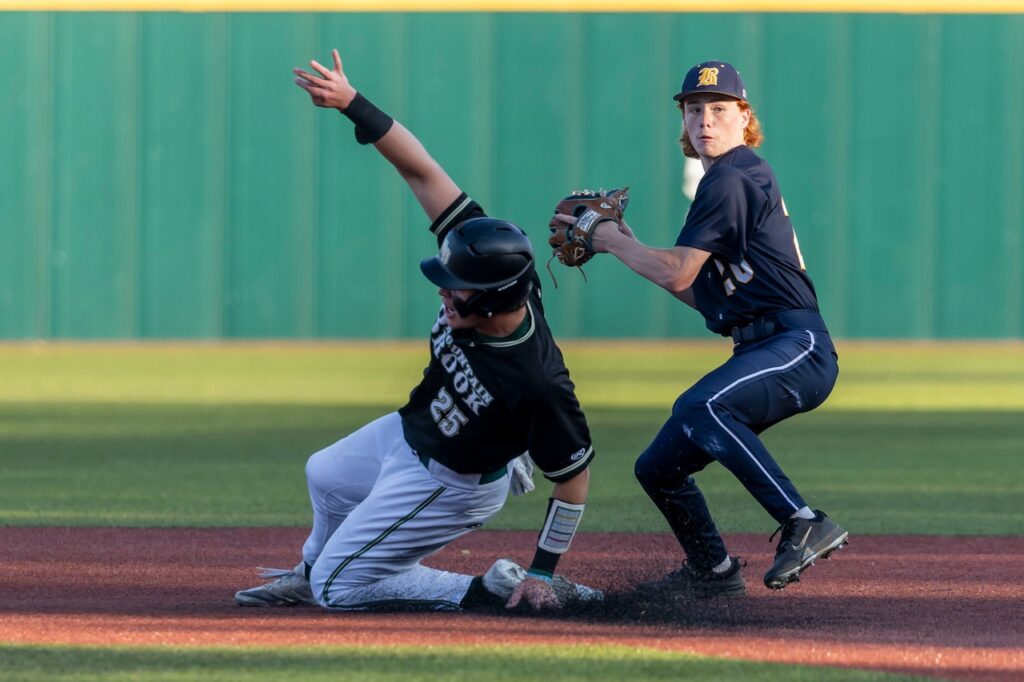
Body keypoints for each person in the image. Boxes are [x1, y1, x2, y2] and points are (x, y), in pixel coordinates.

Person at [234, 49, 600, 612]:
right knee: (325, 475)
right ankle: (309, 571)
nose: (443, 291)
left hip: (452, 483)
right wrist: (352, 103)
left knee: (342, 588)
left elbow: (573, 478)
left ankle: (481, 589)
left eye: (456, 286)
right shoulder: (487, 258)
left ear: (496, 296)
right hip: (412, 433)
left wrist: (543, 573)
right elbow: (421, 168)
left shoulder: (536, 380)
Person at [582, 60, 847, 594]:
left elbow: (677, 268)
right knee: (658, 467)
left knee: (702, 406)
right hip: (759, 344)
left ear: (744, 117)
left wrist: (611, 241)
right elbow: (696, 291)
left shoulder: (733, 175)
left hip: (797, 345)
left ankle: (804, 520)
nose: (705, 120)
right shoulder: (722, 183)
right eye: (693, 109)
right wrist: (626, 246)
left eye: (719, 109)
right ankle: (715, 571)